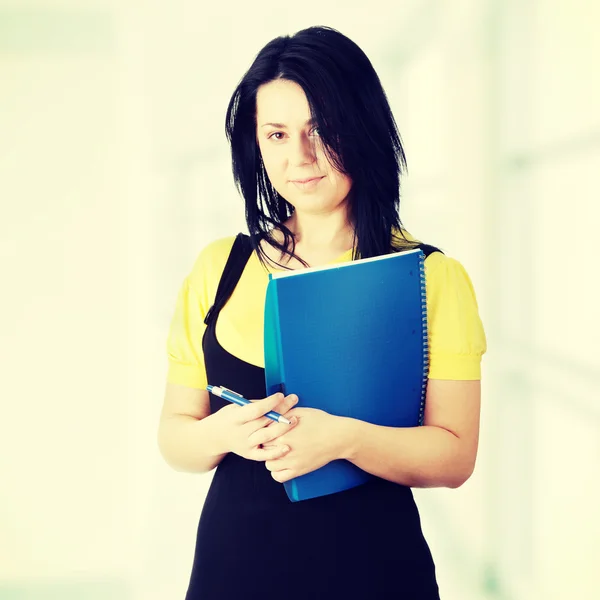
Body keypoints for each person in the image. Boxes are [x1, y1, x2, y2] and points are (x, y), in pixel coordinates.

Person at [158, 25, 486, 600]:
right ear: (255, 145)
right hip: (235, 568)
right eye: (277, 135)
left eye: (321, 130)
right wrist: (223, 432)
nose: (300, 158)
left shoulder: (430, 277)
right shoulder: (221, 267)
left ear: (362, 127)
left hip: (376, 571)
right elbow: (175, 439)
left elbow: (455, 457)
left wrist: (344, 439)